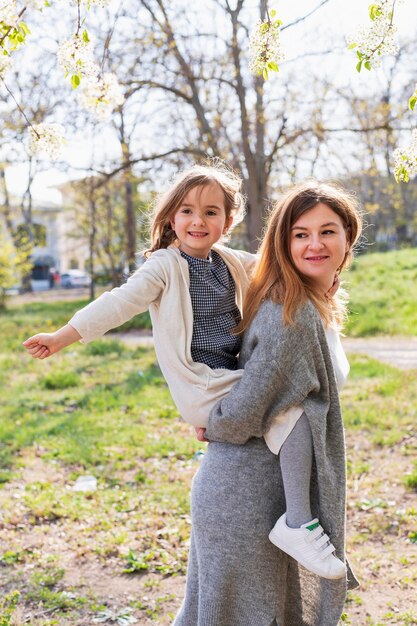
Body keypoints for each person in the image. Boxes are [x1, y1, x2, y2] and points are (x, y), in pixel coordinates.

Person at [173, 180, 362, 626]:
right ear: (283, 242)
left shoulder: (314, 302)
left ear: (348, 237)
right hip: (247, 494)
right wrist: (214, 424)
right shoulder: (288, 313)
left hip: (273, 491)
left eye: (328, 231)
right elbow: (250, 404)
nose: (315, 243)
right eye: (300, 234)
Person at [22, 160, 256, 429]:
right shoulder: (165, 265)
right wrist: (59, 338)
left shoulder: (229, 261)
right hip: (200, 386)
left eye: (211, 212)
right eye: (187, 210)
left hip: (234, 372)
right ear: (173, 219)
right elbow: (119, 302)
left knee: (286, 397)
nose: (198, 221)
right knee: (280, 405)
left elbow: (273, 264)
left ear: (226, 223)